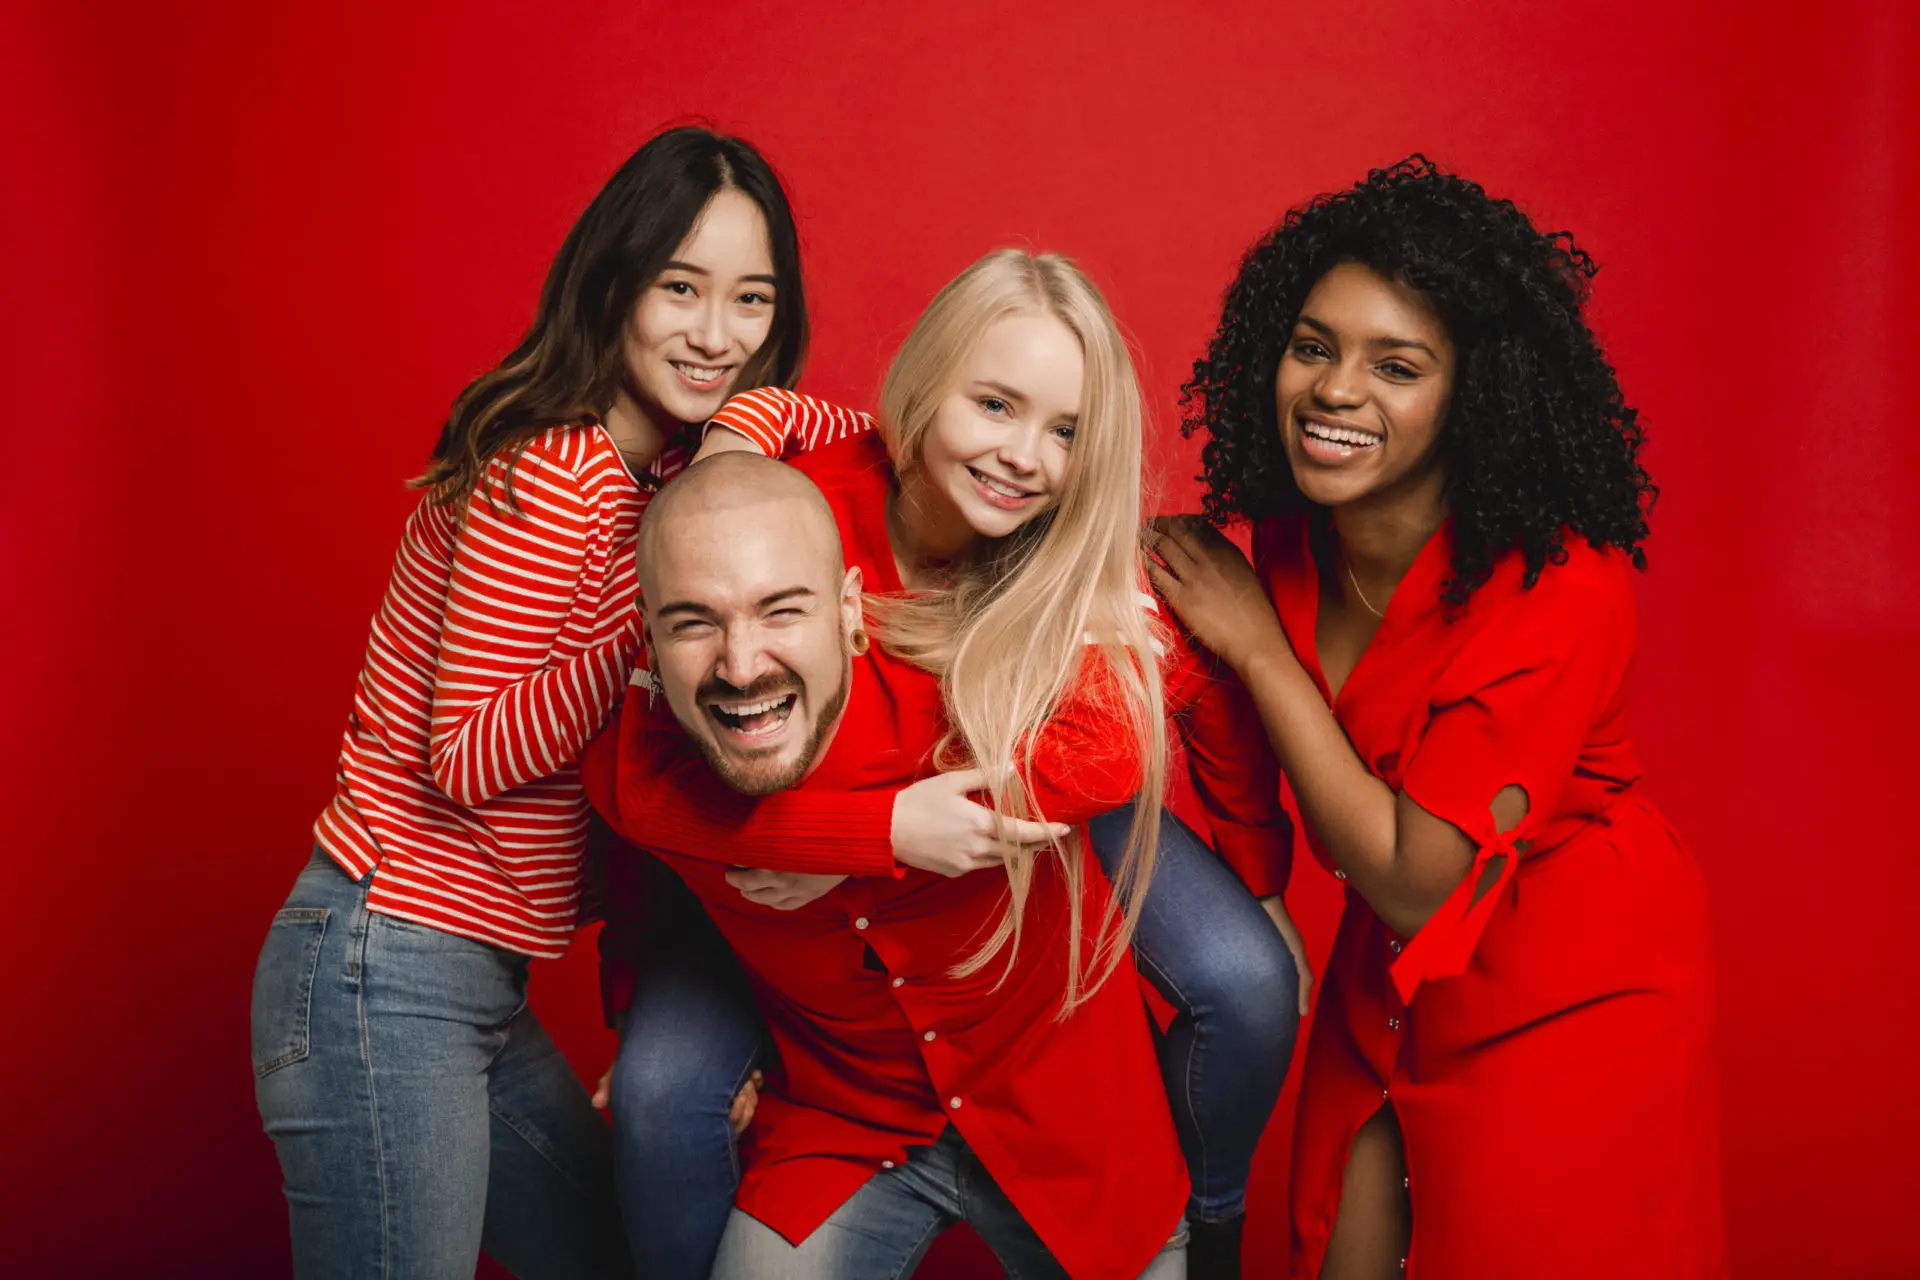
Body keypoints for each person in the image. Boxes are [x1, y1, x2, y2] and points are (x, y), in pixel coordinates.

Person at [602, 250, 1310, 1279]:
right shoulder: (793, 521)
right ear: (931, 386)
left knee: (1247, 975)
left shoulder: (1067, 562)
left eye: (1065, 431)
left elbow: (1140, 728)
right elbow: (635, 777)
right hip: (843, 1070)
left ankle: (1209, 1233)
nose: (1025, 454)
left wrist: (1260, 865)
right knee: (662, 1090)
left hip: (1036, 1040)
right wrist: (876, 835)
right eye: (994, 404)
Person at [248, 126, 810, 1280]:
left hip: (466, 987)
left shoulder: (648, 473)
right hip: (386, 960)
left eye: (751, 298)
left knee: (614, 1248)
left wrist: (756, 428)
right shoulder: (564, 467)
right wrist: (661, 619)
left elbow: (847, 424)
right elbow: (464, 753)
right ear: (614, 282)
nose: (718, 333)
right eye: (681, 288)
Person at [1146, 157, 1722, 1278]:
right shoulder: (1291, 532)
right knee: (1332, 1247)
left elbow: (1421, 874)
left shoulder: (1563, 585)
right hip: (1391, 967)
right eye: (1313, 346)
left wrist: (1259, 643)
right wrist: (1258, 883)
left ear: (1476, 395)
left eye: (1395, 365)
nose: (1334, 390)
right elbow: (1234, 725)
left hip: (1570, 973)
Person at [588, 448, 1189, 1279]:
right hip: (845, 1132)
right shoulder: (653, 772)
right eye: (693, 622)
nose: (741, 663)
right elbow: (641, 845)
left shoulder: (980, 698)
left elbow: (1115, 752)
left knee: (1243, 985)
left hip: (1074, 1134)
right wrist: (875, 835)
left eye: (781, 611)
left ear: (848, 607)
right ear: (647, 638)